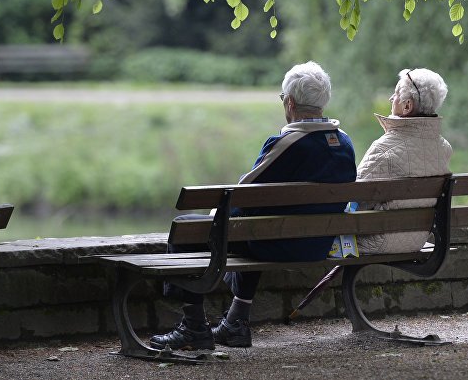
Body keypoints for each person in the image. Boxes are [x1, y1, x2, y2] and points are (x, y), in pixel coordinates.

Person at [149, 61, 357, 351]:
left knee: (190, 228)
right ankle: (236, 321)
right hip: (318, 244)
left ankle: (193, 326)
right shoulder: (344, 143)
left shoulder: (288, 143)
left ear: (290, 102)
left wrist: (215, 220)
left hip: (281, 244)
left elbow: (240, 194)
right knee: (256, 224)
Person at [355, 68, 452, 254]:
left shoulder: (385, 148)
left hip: (377, 241)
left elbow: (355, 199)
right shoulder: (444, 148)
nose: (392, 98)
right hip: (416, 241)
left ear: (407, 106)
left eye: (396, 93)